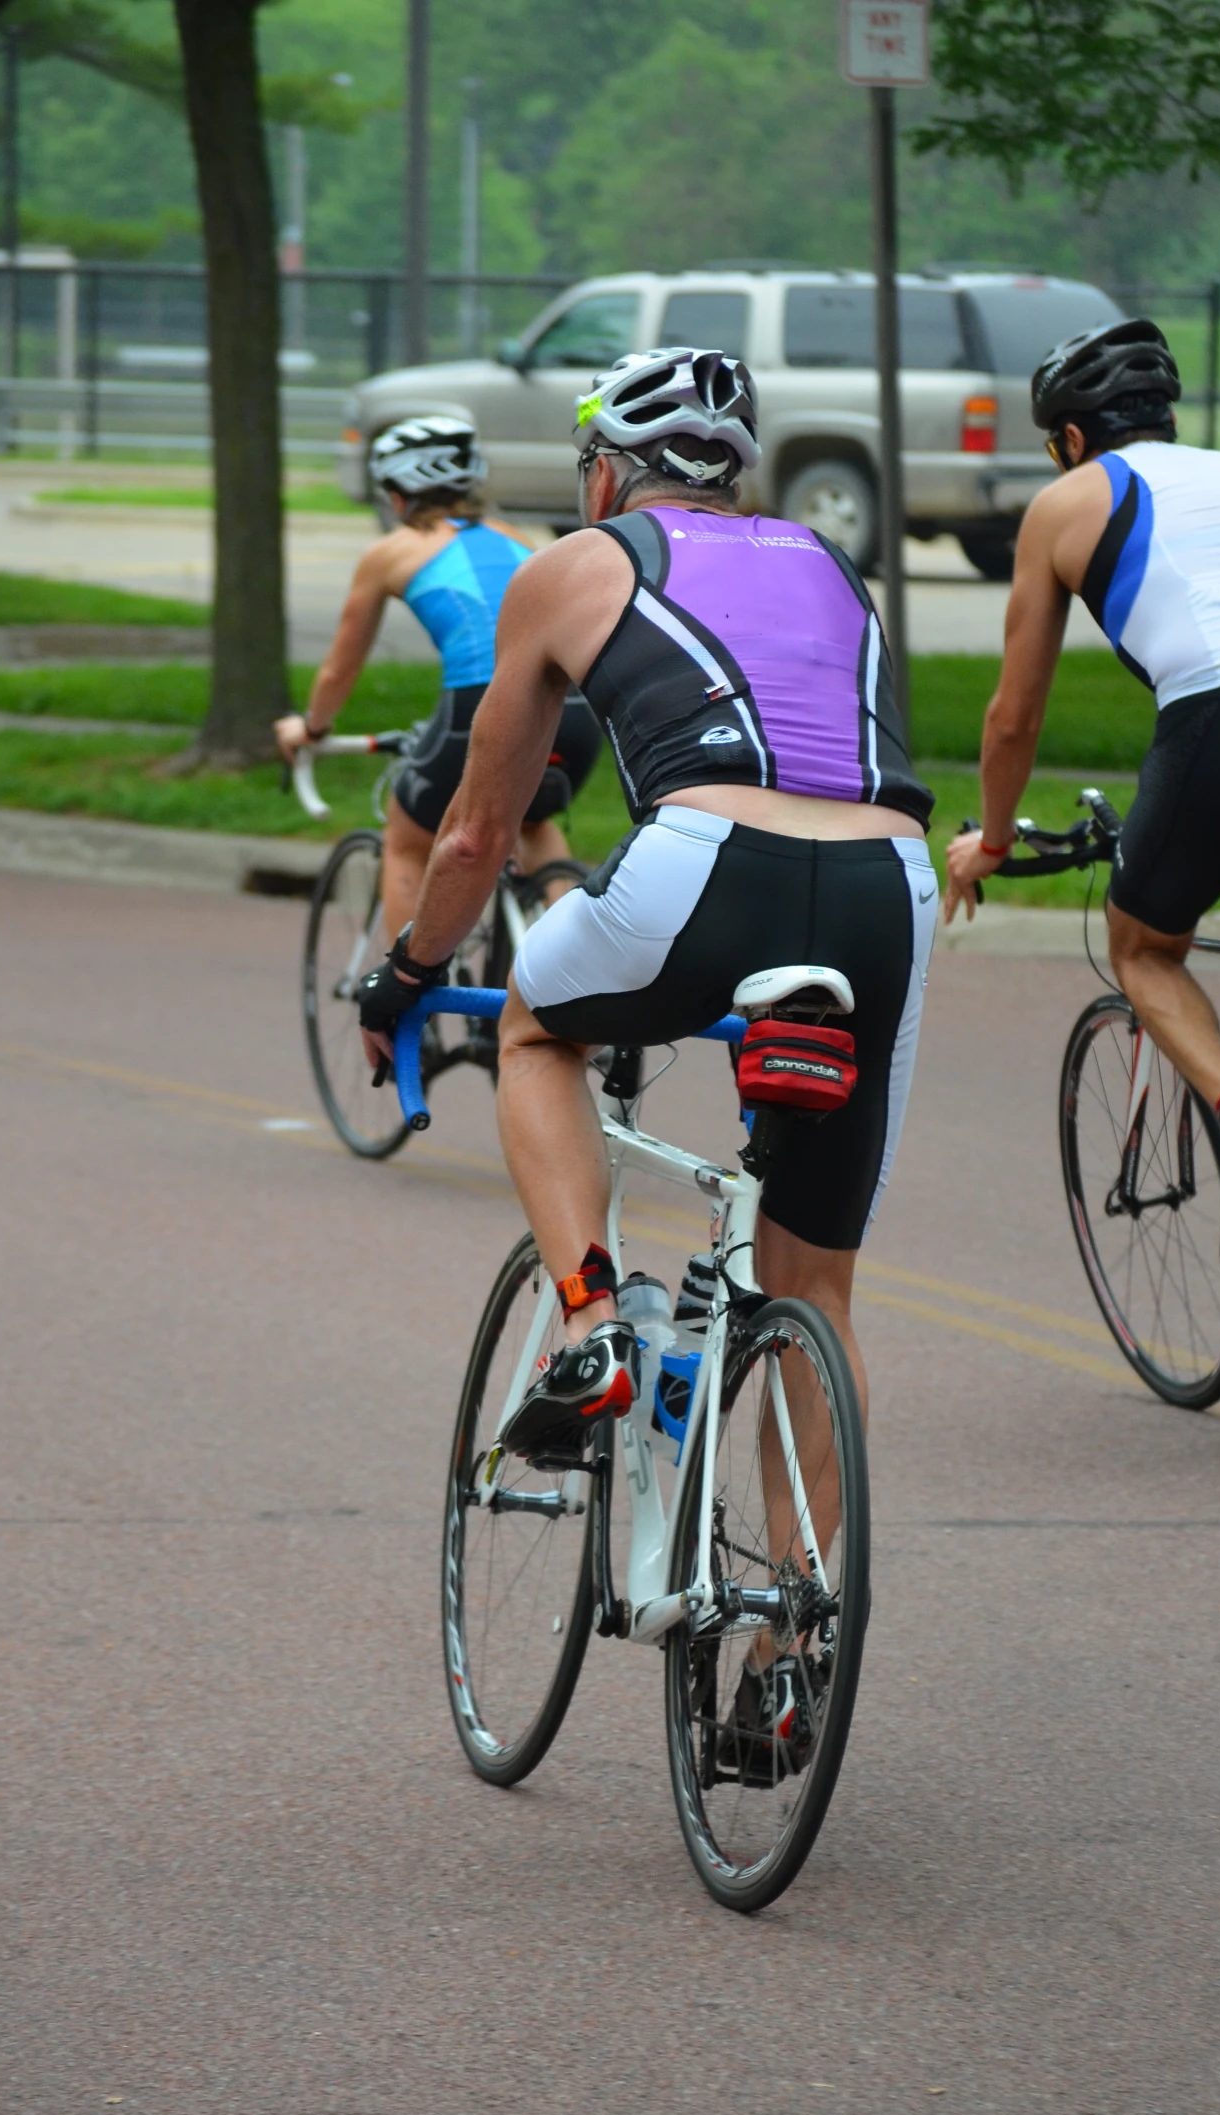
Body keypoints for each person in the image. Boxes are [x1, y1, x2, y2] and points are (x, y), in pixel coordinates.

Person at [356, 347, 938, 1748]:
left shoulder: (575, 562)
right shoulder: (824, 561)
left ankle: (587, 1324)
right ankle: (789, 1648)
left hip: (704, 860)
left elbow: (479, 835)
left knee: (534, 1027)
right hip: (887, 887)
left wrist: (404, 975)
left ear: (606, 470)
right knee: (818, 1289)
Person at [943, 317, 1220, 1277]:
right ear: (1166, 417)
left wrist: (999, 841)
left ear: (1068, 439)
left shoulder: (1067, 502)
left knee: (1142, 947)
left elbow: (1013, 718)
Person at [275, 414, 601, 938]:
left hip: (486, 701)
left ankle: (408, 1003)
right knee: (532, 821)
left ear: (399, 495)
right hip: (580, 704)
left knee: (408, 838)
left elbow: (340, 667)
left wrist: (311, 728)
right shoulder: (518, 538)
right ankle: (565, 964)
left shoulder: (389, 554)